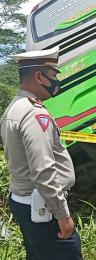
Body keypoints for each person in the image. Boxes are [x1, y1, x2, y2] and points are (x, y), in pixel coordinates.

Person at [0, 47, 82, 259]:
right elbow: (43, 171)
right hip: (43, 210)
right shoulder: (33, 114)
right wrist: (63, 215)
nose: (56, 81)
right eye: (53, 75)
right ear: (39, 76)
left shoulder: (13, 109)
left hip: (26, 203)